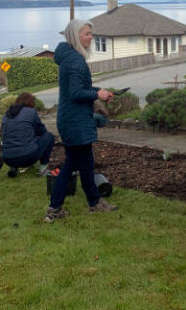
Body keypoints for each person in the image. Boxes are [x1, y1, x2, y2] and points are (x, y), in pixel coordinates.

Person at [45, 19, 117, 223]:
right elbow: (76, 93)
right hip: (75, 121)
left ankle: (94, 202)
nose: (91, 37)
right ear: (76, 36)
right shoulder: (75, 61)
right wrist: (98, 94)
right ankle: (54, 208)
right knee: (72, 165)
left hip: (71, 120)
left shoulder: (68, 58)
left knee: (85, 164)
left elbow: (74, 91)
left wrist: (98, 92)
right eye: (87, 33)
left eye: (90, 33)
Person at [0, 92, 54, 177]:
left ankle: (13, 167)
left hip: (7, 158)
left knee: (15, 139)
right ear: (31, 103)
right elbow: (42, 131)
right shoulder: (30, 112)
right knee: (49, 136)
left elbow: (4, 135)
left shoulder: (6, 115)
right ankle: (43, 170)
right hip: (27, 157)